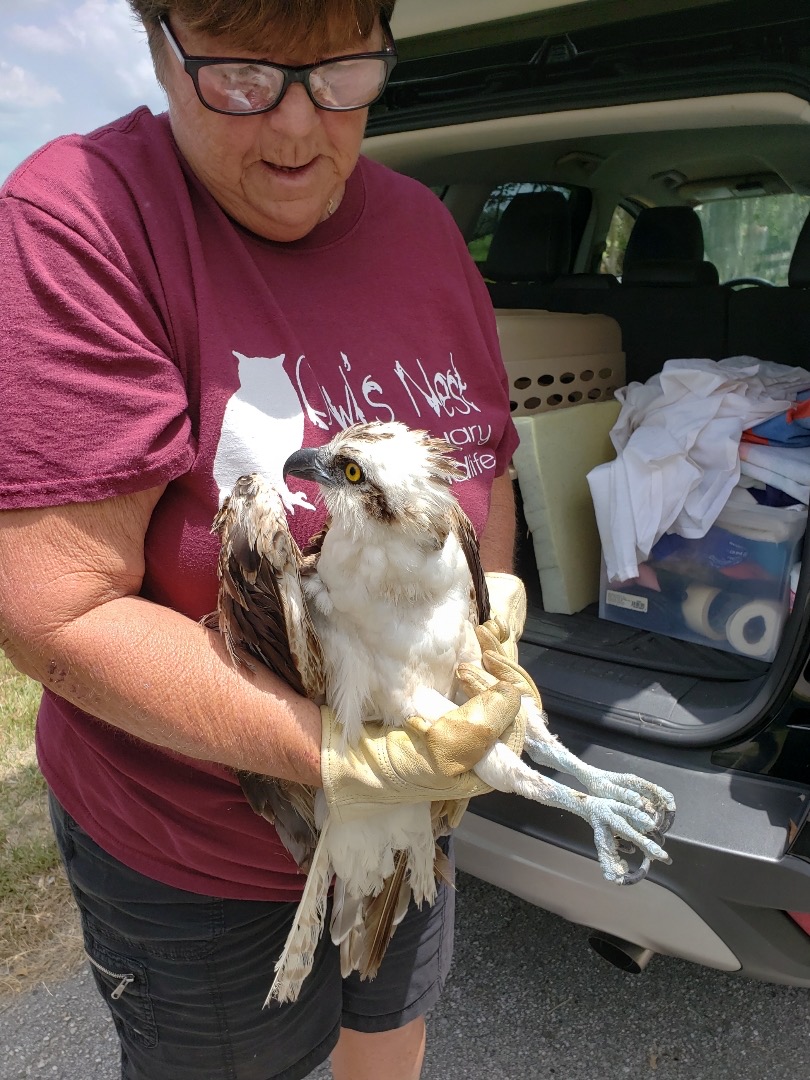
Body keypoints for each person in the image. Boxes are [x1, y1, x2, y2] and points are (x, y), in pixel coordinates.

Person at [0, 2, 526, 1078]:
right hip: (195, 852)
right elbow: (58, 611)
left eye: (341, 73)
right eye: (241, 77)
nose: (296, 131)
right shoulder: (83, 220)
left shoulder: (423, 228)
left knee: (389, 1031)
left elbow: (485, 463)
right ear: (157, 41)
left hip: (409, 809)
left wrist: (489, 631)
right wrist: (343, 755)